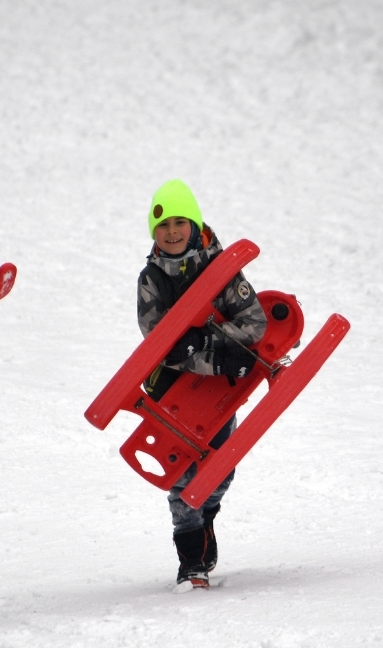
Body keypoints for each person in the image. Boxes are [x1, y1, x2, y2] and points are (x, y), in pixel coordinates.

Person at [137, 179, 267, 589]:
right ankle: (190, 556)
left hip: (217, 394)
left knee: (219, 470)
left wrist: (203, 338)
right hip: (173, 393)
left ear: (195, 225)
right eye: (163, 225)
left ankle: (205, 519)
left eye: (181, 221)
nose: (172, 231)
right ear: (153, 231)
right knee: (182, 476)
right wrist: (213, 356)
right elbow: (160, 343)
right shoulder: (152, 277)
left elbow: (254, 323)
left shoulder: (222, 269)